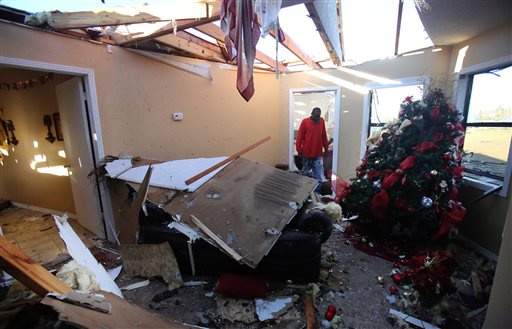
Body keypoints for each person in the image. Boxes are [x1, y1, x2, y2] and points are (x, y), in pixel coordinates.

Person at [296, 107, 329, 193]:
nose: (317, 119)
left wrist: (326, 147)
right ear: (311, 114)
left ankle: (317, 195)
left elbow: (323, 135)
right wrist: (299, 150)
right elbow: (300, 137)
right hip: (306, 153)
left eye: (318, 117)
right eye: (315, 117)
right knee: (305, 175)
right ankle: (303, 193)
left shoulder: (321, 121)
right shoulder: (305, 122)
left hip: (317, 153)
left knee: (318, 176)